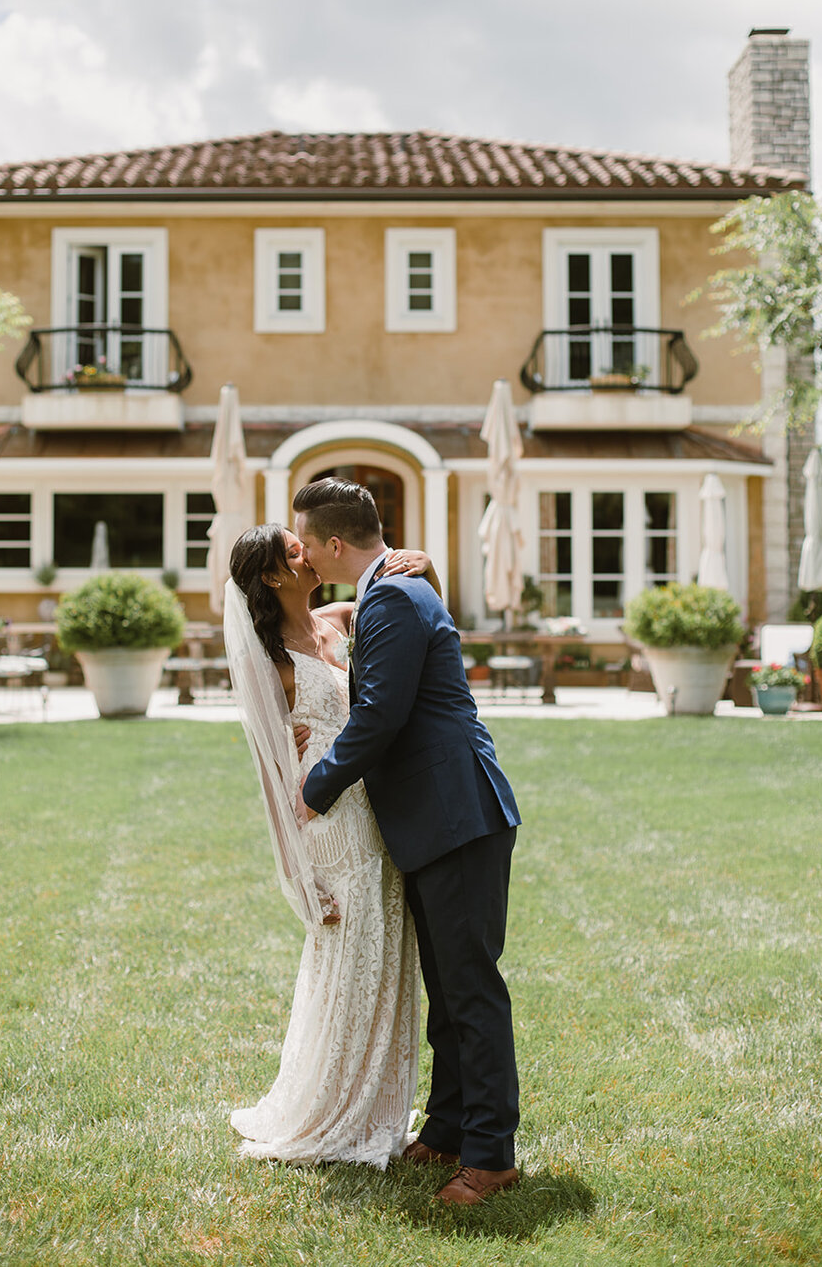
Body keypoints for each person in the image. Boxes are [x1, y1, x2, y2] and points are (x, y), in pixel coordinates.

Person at [293, 478, 521, 1207]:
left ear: (334, 544)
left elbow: (382, 715)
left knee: (471, 990)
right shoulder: (394, 588)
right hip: (437, 819)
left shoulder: (394, 595)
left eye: (306, 542)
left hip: (456, 814)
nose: (301, 553)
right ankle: (450, 1127)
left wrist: (315, 785)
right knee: (449, 991)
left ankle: (490, 1155)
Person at [223, 524, 438, 1169]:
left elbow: (418, 605)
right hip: (328, 823)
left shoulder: (337, 621)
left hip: (374, 809)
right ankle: (331, 1107)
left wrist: (423, 563)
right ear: (270, 576)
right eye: (294, 551)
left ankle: (378, 1105)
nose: (309, 554)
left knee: (385, 953)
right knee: (349, 953)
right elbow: (270, 778)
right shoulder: (274, 664)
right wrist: (299, 877)